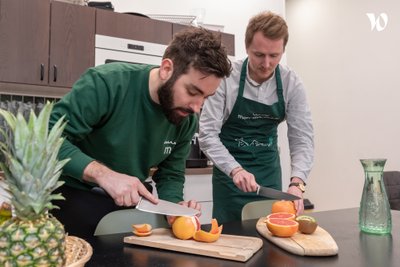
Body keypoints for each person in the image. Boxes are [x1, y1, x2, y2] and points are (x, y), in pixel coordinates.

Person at [49, 27, 232, 237]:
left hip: (131, 208)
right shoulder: (106, 84)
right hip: (75, 202)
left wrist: (174, 209)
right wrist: (103, 175)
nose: (197, 108)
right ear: (166, 69)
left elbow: (170, 174)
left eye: (206, 97)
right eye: (192, 92)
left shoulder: (186, 117)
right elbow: (46, 138)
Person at [199, 11, 314, 223]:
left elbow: (302, 139)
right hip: (229, 179)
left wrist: (297, 184)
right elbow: (207, 134)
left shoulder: (291, 83)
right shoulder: (226, 78)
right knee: (230, 241)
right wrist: (235, 170)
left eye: (274, 56)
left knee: (271, 239)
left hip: (268, 175)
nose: (267, 64)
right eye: (259, 55)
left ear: (283, 51)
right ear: (247, 48)